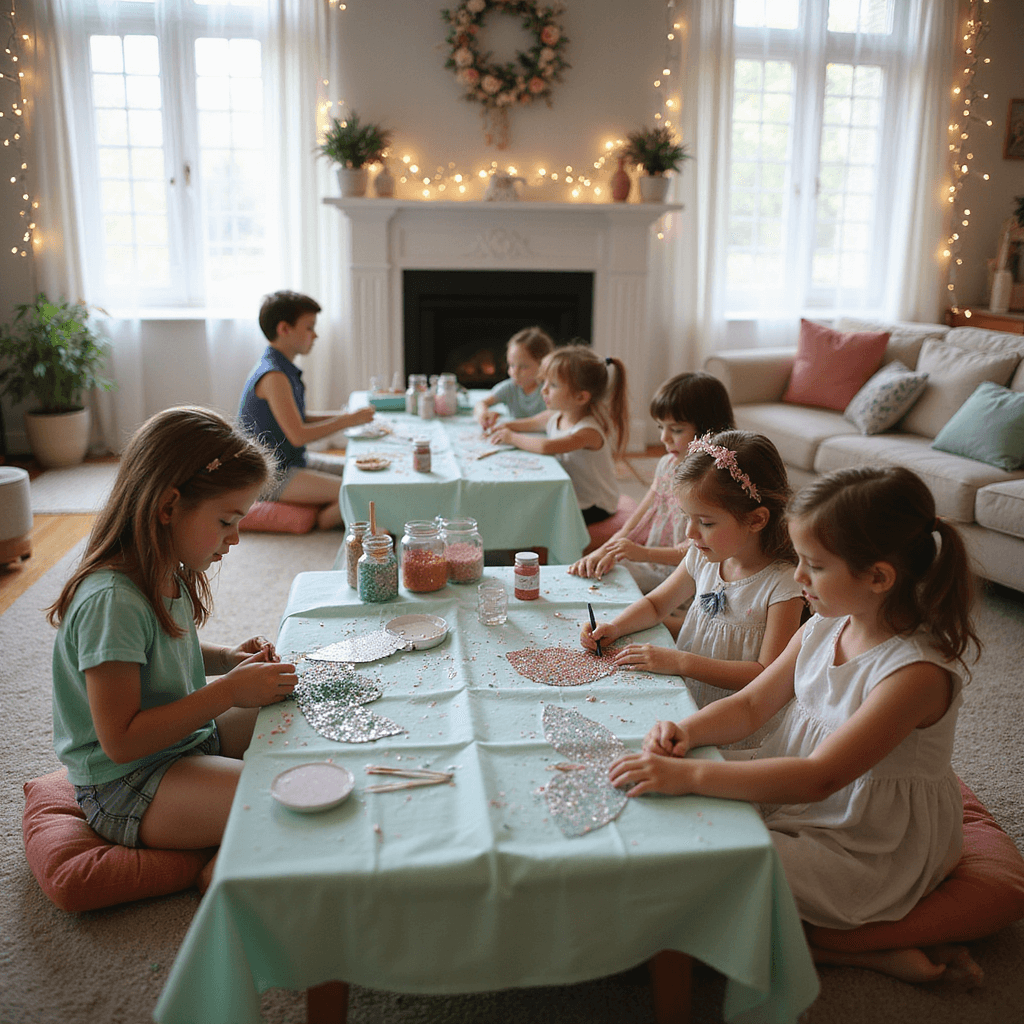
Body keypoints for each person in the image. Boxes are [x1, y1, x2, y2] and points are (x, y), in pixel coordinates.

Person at [608, 465, 984, 986]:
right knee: (671, 810)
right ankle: (845, 944)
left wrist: (690, 777)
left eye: (814, 566)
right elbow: (750, 707)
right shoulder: (828, 622)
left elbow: (820, 777)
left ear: (878, 577)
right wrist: (688, 732)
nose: (798, 577)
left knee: (708, 871)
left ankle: (864, 952)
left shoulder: (914, 674)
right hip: (798, 784)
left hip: (868, 839)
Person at [48, 407, 298, 891]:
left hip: (182, 740)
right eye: (227, 520)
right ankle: (215, 871)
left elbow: (160, 649)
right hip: (126, 781)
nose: (237, 537)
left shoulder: (163, 564)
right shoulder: (112, 601)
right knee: (282, 797)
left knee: (292, 704)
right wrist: (228, 692)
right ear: (168, 507)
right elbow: (121, 740)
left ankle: (216, 825)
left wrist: (227, 660)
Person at [581, 430, 805, 748]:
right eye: (687, 518)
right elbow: (657, 605)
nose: (689, 533)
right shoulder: (704, 557)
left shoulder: (782, 585)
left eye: (706, 523)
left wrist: (681, 662)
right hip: (690, 700)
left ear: (756, 520)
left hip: (736, 723)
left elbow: (764, 674)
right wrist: (614, 626)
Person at [569, 371, 735, 609]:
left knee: (608, 594)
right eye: (661, 427)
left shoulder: (712, 482)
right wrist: (604, 551)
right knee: (593, 574)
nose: (664, 438)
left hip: (687, 575)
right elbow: (637, 521)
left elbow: (696, 551)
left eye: (676, 430)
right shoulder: (666, 464)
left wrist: (642, 554)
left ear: (710, 429)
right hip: (654, 564)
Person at [238, 290, 375, 530]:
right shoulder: (274, 375)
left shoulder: (283, 368)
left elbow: (300, 418)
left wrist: (349, 417)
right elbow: (299, 434)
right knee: (360, 491)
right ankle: (323, 518)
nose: (315, 334)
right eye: (309, 327)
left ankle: (323, 503)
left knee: (363, 472)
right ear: (284, 329)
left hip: (294, 461)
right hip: (272, 475)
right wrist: (348, 420)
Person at [487, 343, 629, 525]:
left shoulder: (587, 431)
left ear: (581, 397)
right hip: (574, 494)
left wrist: (510, 437)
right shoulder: (557, 415)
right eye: (544, 382)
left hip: (595, 505)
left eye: (553, 385)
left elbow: (546, 447)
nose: (543, 390)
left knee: (530, 515)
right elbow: (530, 423)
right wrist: (498, 425)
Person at [473, 326, 554, 431]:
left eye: (524, 367)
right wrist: (483, 414)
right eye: (511, 365)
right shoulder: (509, 387)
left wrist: (508, 424)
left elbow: (549, 418)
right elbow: (481, 403)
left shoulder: (548, 390)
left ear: (543, 365)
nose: (515, 372)